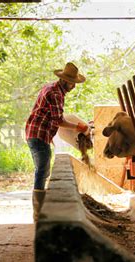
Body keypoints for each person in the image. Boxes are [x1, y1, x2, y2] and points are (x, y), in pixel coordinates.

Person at [25, 62, 90, 222]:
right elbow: (58, 120)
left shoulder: (51, 88)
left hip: (37, 133)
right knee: (42, 171)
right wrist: (79, 127)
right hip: (38, 134)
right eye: (73, 83)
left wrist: (52, 137)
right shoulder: (56, 94)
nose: (74, 86)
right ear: (66, 81)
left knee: (42, 170)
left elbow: (48, 117)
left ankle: (39, 210)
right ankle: (38, 213)